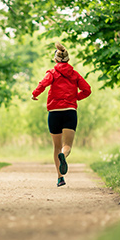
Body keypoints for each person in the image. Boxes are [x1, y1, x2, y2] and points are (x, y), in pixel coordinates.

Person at [31, 42, 91, 187]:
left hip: (54, 112)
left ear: (56, 60)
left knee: (56, 146)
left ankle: (60, 178)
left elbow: (43, 84)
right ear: (68, 60)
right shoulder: (75, 74)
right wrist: (75, 97)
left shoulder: (52, 73)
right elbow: (87, 90)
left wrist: (34, 94)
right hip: (70, 112)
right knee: (67, 145)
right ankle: (64, 156)